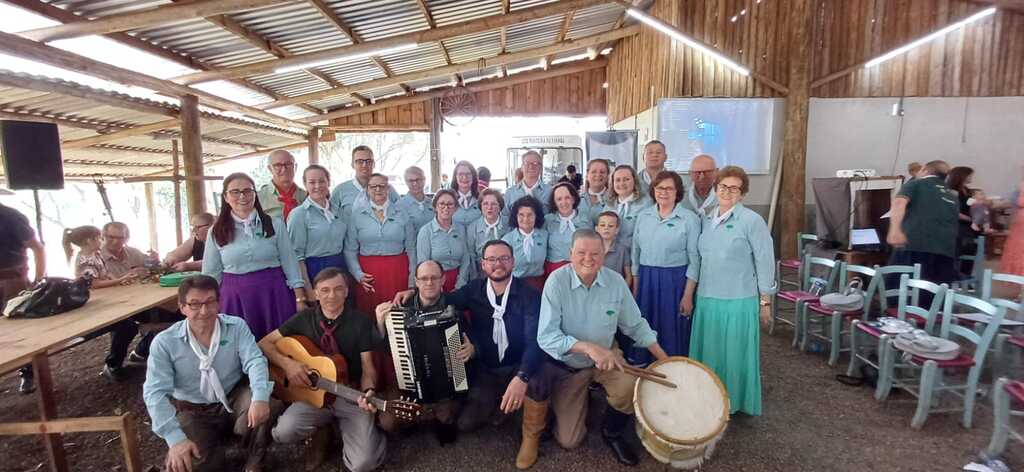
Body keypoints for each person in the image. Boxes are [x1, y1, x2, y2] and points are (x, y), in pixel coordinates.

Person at [525, 230, 668, 468]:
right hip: (570, 366)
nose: (588, 259)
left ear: (604, 255)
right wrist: (588, 348)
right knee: (569, 441)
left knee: (628, 387)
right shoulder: (556, 282)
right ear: (570, 254)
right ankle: (573, 403)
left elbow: (635, 324)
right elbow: (547, 337)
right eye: (581, 253)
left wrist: (664, 360)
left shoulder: (615, 281)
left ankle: (612, 433)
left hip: (608, 356)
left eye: (595, 253)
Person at [391, 241, 544, 435]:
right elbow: (441, 299)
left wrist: (522, 377)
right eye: (491, 259)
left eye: (504, 258)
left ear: (513, 262)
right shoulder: (473, 290)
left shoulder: (530, 294)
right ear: (483, 264)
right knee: (465, 424)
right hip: (487, 370)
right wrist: (415, 291)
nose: (498, 264)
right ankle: (499, 402)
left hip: (517, 365)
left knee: (536, 406)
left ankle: (522, 406)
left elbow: (534, 342)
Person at [143, 275, 273, 472]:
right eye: (194, 304)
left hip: (232, 397)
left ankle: (255, 461)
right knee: (196, 462)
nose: (203, 311)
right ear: (182, 307)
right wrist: (175, 439)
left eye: (210, 302)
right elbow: (155, 392)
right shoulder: (165, 342)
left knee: (263, 401)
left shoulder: (236, 327)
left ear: (219, 303)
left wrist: (261, 398)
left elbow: (254, 361)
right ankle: (216, 452)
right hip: (193, 410)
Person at [260, 268, 385, 472]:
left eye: (338, 289)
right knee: (283, 433)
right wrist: (288, 364)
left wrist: (369, 392)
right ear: (315, 294)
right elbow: (265, 343)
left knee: (363, 464)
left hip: (349, 394)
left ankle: (372, 435)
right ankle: (323, 430)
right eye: (324, 290)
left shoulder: (360, 321)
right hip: (313, 396)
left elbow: (368, 368)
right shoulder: (303, 319)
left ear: (346, 291)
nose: (331, 296)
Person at [690, 166, 776, 416]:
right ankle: (708, 399)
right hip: (707, 300)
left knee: (734, 356)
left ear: (743, 194)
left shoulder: (751, 221)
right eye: (723, 187)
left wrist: (765, 301)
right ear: (715, 189)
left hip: (738, 301)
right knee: (711, 354)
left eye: (734, 188)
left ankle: (733, 402)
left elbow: (764, 261)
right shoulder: (705, 219)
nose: (727, 192)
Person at [203, 173, 307, 340]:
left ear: (255, 194)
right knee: (242, 345)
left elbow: (290, 262)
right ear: (226, 197)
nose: (242, 196)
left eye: (247, 191)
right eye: (235, 192)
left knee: (281, 344)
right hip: (235, 298)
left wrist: (299, 297)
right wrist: (207, 305)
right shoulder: (216, 232)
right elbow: (211, 274)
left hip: (274, 294)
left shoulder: (275, 224)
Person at [373, 260, 469, 439]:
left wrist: (471, 349)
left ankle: (430, 414)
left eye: (434, 278)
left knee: (450, 419)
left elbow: (468, 343)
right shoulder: (401, 308)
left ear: (443, 280)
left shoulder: (454, 308)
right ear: (416, 282)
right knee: (388, 421)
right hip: (408, 381)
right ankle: (415, 417)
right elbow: (386, 350)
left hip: (445, 384)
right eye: (424, 278)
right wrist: (380, 324)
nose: (429, 283)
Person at [631, 171, 701, 361]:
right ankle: (644, 367)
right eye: (660, 187)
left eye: (669, 188)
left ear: (677, 192)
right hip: (647, 280)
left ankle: (673, 368)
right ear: (653, 190)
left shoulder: (689, 219)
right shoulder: (643, 216)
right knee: (645, 325)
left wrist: (687, 295)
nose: (664, 192)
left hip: (675, 282)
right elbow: (635, 254)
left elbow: (695, 260)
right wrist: (637, 288)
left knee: (671, 327)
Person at [100, 222, 183, 380]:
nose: (116, 241)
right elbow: (93, 285)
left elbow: (155, 268)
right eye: (111, 237)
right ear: (103, 236)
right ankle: (113, 365)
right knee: (127, 326)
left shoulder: (132, 252)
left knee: (177, 315)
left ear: (127, 238)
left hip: (139, 302)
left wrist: (155, 260)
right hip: (111, 306)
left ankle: (141, 352)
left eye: (121, 237)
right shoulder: (96, 257)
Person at [344, 173, 417, 317]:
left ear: (388, 188)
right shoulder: (356, 215)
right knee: (370, 315)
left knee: (397, 313)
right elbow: (349, 249)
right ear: (367, 190)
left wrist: (411, 282)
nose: (378, 189)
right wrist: (358, 275)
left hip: (397, 272)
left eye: (382, 186)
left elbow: (411, 249)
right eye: (373, 186)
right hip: (369, 276)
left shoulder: (402, 213)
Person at [886, 160, 959, 294]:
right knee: (934, 294)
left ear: (924, 169)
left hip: (915, 244)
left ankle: (895, 313)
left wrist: (894, 230)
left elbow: (899, 203)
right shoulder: (952, 194)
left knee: (900, 291)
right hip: (945, 249)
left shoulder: (915, 184)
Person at [0, 199, 46, 394]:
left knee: (20, 328)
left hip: (11, 279)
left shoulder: (11, 216)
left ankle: (27, 372)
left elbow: (37, 247)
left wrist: (38, 278)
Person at [287, 165, 348, 298]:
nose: (317, 186)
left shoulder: (339, 211)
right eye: (312, 182)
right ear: (305, 184)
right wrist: (308, 288)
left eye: (321, 181)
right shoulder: (299, 214)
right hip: (315, 269)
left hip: (340, 267)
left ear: (328, 182)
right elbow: (297, 256)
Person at [417, 189, 472, 292]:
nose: (446, 207)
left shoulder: (461, 229)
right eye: (441, 203)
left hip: (458, 282)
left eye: (450, 204)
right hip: (434, 283)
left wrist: (460, 284)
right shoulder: (425, 231)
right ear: (435, 207)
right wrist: (436, 286)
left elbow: (466, 259)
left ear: (455, 208)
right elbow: (423, 263)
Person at [331, 146, 399, 216]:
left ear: (374, 164)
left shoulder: (388, 189)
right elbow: (331, 219)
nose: (364, 165)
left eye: (369, 161)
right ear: (352, 165)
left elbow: (401, 214)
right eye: (359, 161)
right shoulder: (340, 190)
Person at [544, 182, 592, 277]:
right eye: (559, 199)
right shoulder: (547, 220)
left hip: (581, 268)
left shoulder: (585, 219)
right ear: (554, 202)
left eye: (567, 197)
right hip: (554, 270)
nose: (564, 202)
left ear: (573, 199)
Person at [501, 196, 548, 291]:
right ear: (515, 216)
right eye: (521, 215)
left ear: (536, 216)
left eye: (530, 215)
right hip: (515, 286)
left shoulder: (545, 236)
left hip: (540, 286)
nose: (525, 219)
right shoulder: (507, 240)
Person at [606, 165, 652, 250]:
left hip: (635, 254)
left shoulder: (646, 204)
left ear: (634, 181)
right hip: (612, 254)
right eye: (617, 180)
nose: (622, 183)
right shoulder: (609, 205)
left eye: (626, 179)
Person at [466, 189, 508, 279]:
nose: (489, 207)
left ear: (500, 206)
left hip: (506, 274)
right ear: (480, 206)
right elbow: (471, 257)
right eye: (485, 204)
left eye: (494, 204)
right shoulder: (472, 228)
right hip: (482, 277)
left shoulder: (509, 224)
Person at [257, 150, 306, 221]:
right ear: (270, 169)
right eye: (278, 165)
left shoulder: (306, 197)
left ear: (295, 167)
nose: (284, 169)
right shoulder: (258, 198)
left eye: (288, 164)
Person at [947, 166, 979, 276]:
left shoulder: (968, 191)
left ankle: (965, 274)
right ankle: (955, 273)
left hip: (969, 223)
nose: (971, 178)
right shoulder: (952, 191)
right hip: (958, 223)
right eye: (969, 175)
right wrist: (970, 218)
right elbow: (953, 211)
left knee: (972, 247)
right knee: (962, 241)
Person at [595, 211, 632, 288]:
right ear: (597, 229)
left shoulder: (622, 250)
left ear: (617, 230)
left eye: (611, 226)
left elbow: (628, 276)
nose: (606, 228)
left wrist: (622, 291)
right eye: (602, 225)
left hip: (615, 291)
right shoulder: (591, 248)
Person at [999, 168, 1024, 277]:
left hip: (1020, 219)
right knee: (1019, 249)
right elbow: (1013, 202)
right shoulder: (1021, 186)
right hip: (1020, 222)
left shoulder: (1021, 186)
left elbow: (1015, 202)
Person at [395, 166, 434, 231]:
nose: (415, 183)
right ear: (406, 182)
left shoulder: (433, 203)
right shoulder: (399, 206)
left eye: (418, 179)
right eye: (411, 181)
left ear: (424, 180)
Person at [683, 154, 719, 218]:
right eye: (697, 172)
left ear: (716, 172)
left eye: (707, 172)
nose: (702, 177)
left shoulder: (725, 195)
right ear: (690, 173)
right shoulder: (680, 195)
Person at [451, 160, 482, 226]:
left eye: (468, 174)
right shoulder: (448, 200)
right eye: (460, 174)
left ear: (473, 177)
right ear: (455, 177)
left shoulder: (482, 200)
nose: (464, 177)